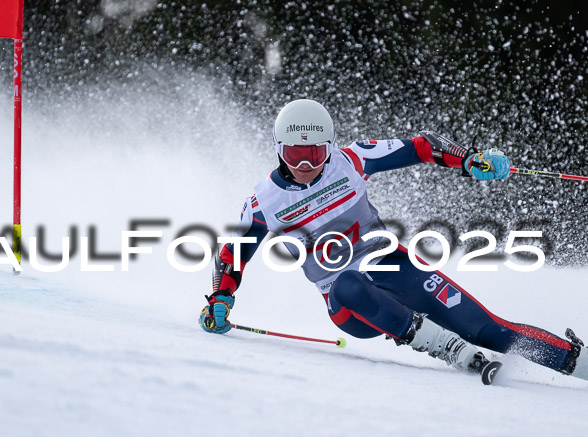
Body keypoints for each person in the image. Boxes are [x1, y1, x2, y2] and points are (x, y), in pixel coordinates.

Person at [199, 99, 588, 381]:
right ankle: (441, 346)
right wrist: (220, 298)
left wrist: (469, 159)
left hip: (394, 268)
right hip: (352, 306)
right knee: (348, 282)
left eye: (315, 153)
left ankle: (579, 362)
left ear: (329, 147)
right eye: (294, 154)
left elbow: (421, 146)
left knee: (491, 330)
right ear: (278, 150)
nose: (305, 165)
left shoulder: (349, 161)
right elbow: (233, 254)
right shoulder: (265, 203)